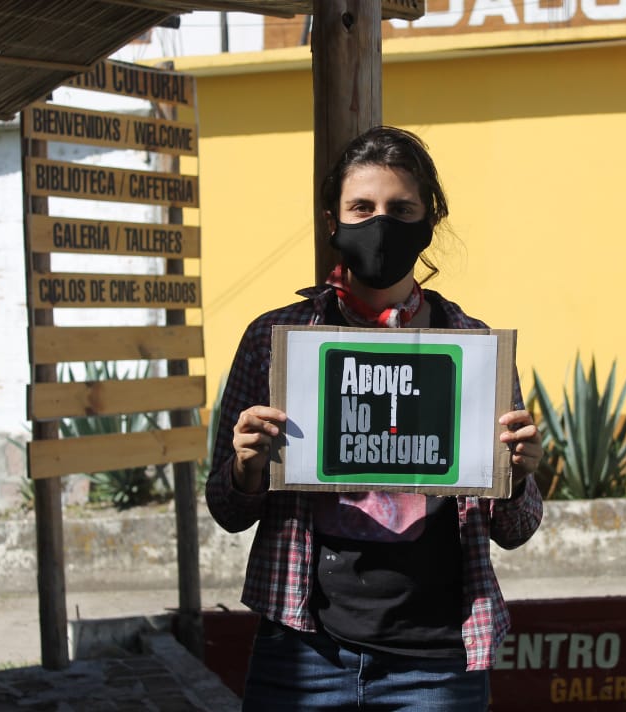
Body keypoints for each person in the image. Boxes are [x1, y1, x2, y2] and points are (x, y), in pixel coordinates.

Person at [206, 125, 544, 711]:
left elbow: (515, 531)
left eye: (400, 208)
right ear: (332, 221)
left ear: (429, 220)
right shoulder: (276, 342)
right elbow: (227, 510)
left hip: (437, 664)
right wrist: (245, 467)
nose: (379, 223)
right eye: (361, 207)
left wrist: (517, 474)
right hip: (302, 651)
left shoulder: (475, 350)